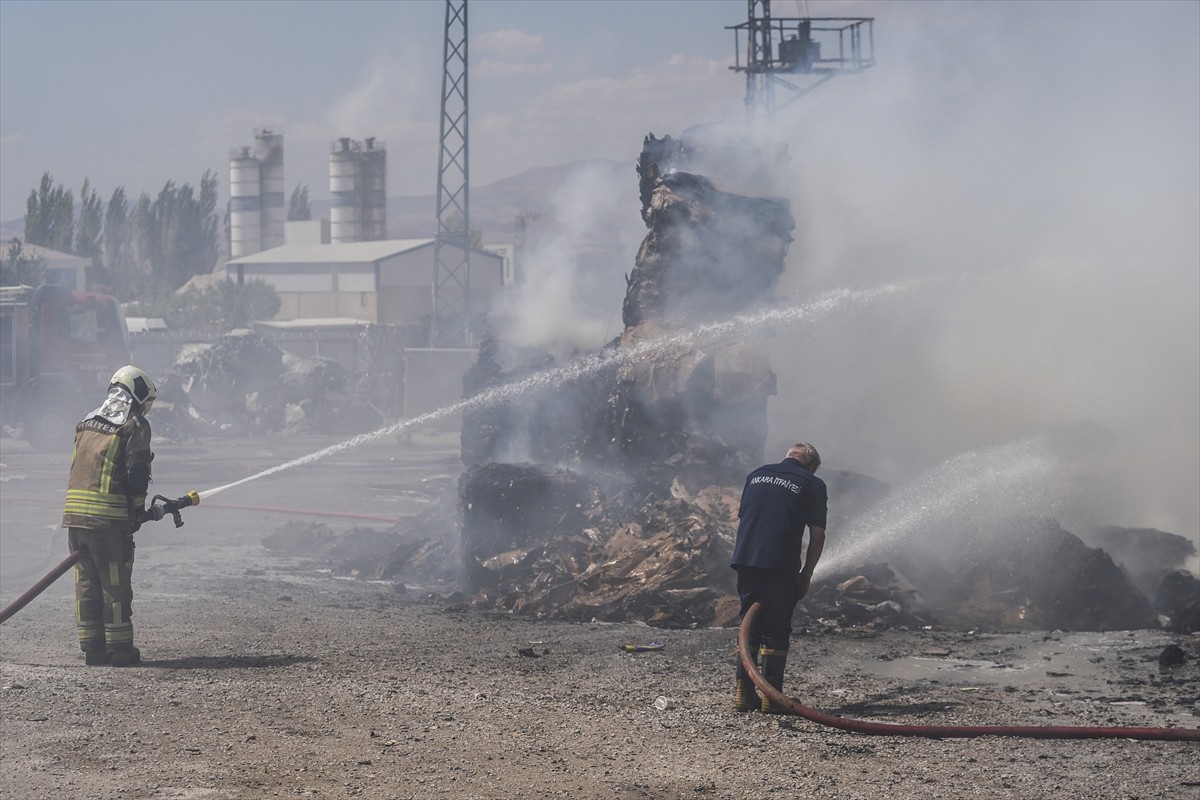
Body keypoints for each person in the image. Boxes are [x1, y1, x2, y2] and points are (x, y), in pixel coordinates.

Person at [61, 365, 157, 666]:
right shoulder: (134, 425)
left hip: (75, 519)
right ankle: (120, 651)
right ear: (139, 394)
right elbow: (138, 474)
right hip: (107, 522)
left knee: (87, 582)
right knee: (114, 584)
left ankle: (93, 648)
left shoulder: (86, 421)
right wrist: (138, 511)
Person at [730, 442, 827, 713]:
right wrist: (806, 574)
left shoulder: (756, 475)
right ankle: (772, 698)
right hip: (780, 564)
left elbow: (754, 517)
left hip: (746, 560)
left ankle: (744, 693)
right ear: (811, 466)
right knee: (776, 631)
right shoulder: (813, 484)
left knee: (750, 627)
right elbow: (817, 536)